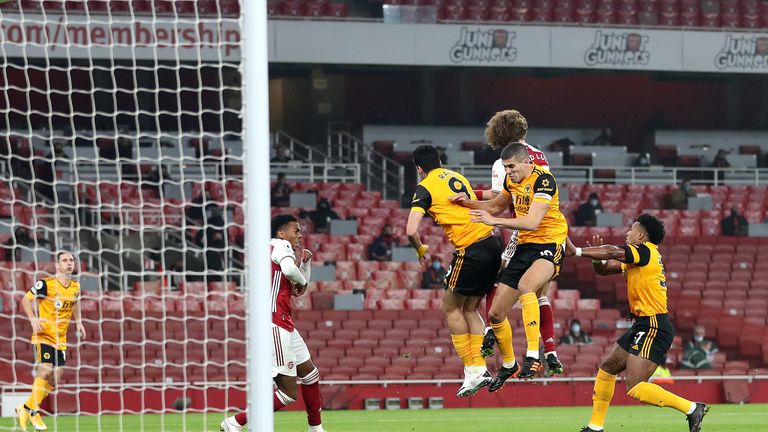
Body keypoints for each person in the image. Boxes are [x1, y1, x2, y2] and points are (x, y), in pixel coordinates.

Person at [567, 214, 709, 432]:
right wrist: (595, 259)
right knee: (607, 368)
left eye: (631, 230)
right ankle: (595, 427)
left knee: (634, 386)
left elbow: (613, 251)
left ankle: (691, 408)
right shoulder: (640, 258)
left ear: (641, 235)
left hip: (654, 325)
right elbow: (605, 269)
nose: (627, 233)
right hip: (643, 324)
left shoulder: (645, 251)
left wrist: (577, 251)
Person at [452, 142, 569, 385]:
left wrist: (494, 221)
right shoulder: (510, 180)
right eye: (505, 167)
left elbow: (532, 222)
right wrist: (467, 202)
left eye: (512, 166)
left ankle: (534, 355)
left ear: (527, 162)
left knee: (528, 287)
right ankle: (509, 364)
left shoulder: (544, 180)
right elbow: (495, 205)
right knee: (496, 313)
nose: (509, 171)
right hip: (525, 247)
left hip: (549, 243)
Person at [406, 145, 503, 397]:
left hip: (471, 248)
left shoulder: (425, 187)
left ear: (419, 168)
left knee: (449, 307)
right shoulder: (457, 177)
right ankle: (478, 369)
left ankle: (472, 369)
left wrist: (419, 248)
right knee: (470, 308)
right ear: (439, 161)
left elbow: (410, 230)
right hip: (492, 244)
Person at [475, 109, 564, 381]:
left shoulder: (502, 164)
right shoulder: (539, 156)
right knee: (539, 294)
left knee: (501, 274)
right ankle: (549, 349)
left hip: (524, 228)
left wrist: (470, 195)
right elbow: (545, 195)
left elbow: (499, 199)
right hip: (548, 224)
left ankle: (498, 333)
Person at [220, 214, 327, 432]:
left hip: (283, 322)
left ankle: (315, 429)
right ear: (281, 232)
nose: (299, 235)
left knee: (310, 374)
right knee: (288, 393)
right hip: (275, 323)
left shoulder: (273, 252)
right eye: (295, 230)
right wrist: (301, 273)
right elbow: (291, 272)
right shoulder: (280, 245)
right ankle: (235, 422)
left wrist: (305, 265)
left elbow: (298, 287)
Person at [16, 252, 85, 432]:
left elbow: (76, 301)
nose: (69, 263)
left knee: (55, 378)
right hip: (44, 335)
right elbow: (25, 299)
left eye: (71, 260)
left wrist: (78, 321)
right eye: (65, 260)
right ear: (57, 265)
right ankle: (31, 411)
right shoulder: (47, 284)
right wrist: (33, 319)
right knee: (46, 369)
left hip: (61, 339)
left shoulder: (75, 286)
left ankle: (27, 408)